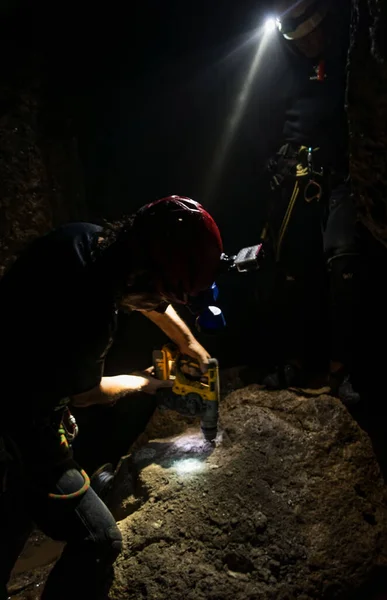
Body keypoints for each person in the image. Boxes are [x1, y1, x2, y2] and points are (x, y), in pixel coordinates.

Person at [0, 195, 223, 600]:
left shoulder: (88, 242)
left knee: (11, 519)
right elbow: (86, 394)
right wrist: (148, 382)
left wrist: (190, 345)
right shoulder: (89, 313)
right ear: (141, 275)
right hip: (19, 426)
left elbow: (146, 299)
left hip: (12, 386)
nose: (161, 306)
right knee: (99, 540)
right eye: (162, 297)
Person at [260, 0, 360, 404]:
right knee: (292, 268)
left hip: (340, 177)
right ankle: (299, 358)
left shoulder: (349, 57)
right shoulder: (287, 65)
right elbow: (268, 116)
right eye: (296, 40)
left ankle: (346, 366)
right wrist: (275, 158)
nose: (303, 45)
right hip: (299, 177)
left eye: (308, 36)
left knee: (344, 264)